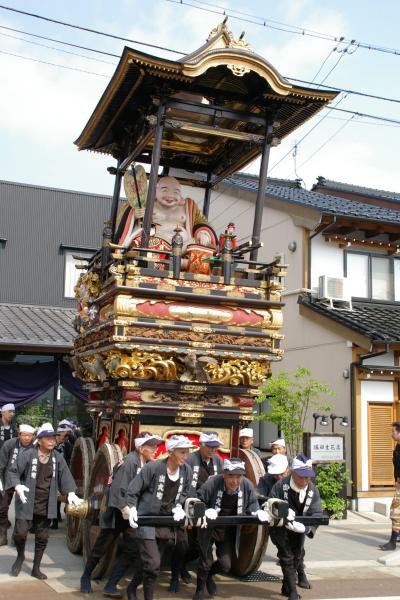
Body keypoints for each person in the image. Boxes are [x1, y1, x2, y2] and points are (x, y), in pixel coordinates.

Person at [79, 431, 162, 596]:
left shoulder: (147, 465)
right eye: (151, 446)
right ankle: (86, 576)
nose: (155, 449)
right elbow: (118, 490)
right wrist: (126, 509)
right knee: (101, 547)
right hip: (117, 512)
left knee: (131, 549)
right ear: (141, 448)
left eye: (155, 446)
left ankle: (111, 584)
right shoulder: (129, 463)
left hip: (131, 515)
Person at [8, 422, 82, 579]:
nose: (52, 441)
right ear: (40, 440)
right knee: (20, 534)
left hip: (46, 503)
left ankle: (36, 567)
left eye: (53, 439)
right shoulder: (28, 454)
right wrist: (17, 486)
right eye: (48, 439)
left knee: (42, 537)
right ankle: (20, 556)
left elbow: (65, 476)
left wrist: (70, 493)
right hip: (27, 500)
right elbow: (13, 471)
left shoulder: (57, 458)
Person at [126, 435, 195, 600]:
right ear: (170, 452)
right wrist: (132, 508)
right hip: (148, 519)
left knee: (149, 564)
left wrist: (179, 505)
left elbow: (185, 492)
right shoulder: (154, 468)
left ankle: (132, 587)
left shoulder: (187, 470)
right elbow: (133, 489)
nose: (185, 457)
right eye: (182, 452)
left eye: (187, 453)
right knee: (154, 563)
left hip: (166, 521)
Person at [193, 457, 269, 600]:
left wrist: (257, 511)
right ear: (223, 474)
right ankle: (199, 590)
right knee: (205, 562)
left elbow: (253, 503)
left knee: (225, 565)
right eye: (231, 476)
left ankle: (210, 575)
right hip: (208, 527)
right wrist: (204, 510)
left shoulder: (246, 485)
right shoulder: (213, 482)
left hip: (228, 531)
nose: (235, 481)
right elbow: (198, 499)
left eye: (238, 476)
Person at [117, 176, 217, 256]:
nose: (170, 196)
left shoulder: (188, 206)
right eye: (165, 190)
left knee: (201, 248)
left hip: (184, 246)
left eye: (176, 192)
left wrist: (203, 233)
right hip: (155, 244)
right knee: (142, 243)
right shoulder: (145, 203)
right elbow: (125, 221)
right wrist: (134, 215)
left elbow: (200, 222)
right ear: (155, 191)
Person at [268, 454, 322, 600]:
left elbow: (317, 512)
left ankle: (286, 586)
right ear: (292, 472)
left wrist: (307, 528)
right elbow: (270, 506)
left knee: (297, 555)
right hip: (280, 527)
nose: (305, 481)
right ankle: (292, 592)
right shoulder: (280, 486)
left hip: (299, 528)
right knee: (286, 556)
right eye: (301, 477)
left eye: (308, 477)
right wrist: (282, 513)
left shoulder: (312, 490)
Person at [181, 431, 224, 582]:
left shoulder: (218, 461)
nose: (213, 450)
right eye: (210, 447)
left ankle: (207, 576)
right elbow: (185, 485)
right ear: (201, 445)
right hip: (192, 505)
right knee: (193, 546)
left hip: (211, 509)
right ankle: (182, 565)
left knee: (205, 545)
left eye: (215, 447)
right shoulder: (190, 460)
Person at [0, 423, 35, 545]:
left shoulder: (36, 447)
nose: (26, 438)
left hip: (26, 481)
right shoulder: (9, 444)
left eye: (30, 436)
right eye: (24, 435)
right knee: (2, 508)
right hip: (8, 478)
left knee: (22, 509)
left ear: (33, 436)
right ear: (19, 434)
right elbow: (1, 464)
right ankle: (2, 534)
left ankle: (17, 536)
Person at [379, 421, 400, 551]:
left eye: (393, 431)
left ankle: (392, 542)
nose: (391, 434)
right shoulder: (398, 447)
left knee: (395, 512)